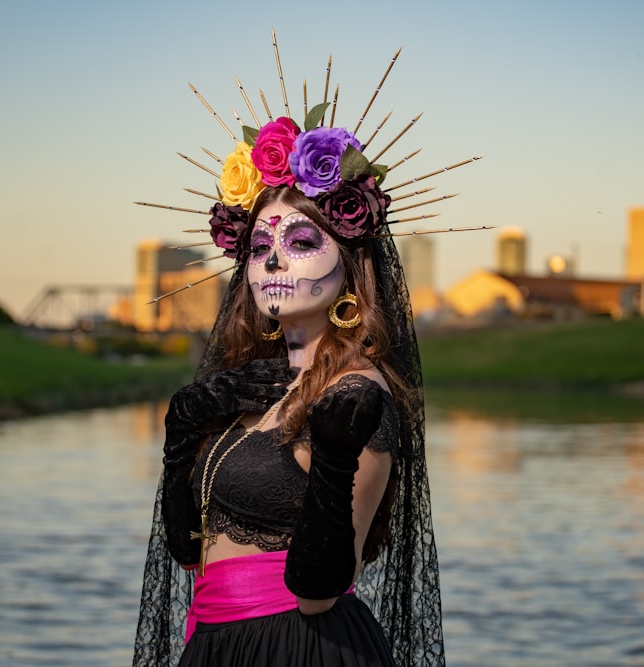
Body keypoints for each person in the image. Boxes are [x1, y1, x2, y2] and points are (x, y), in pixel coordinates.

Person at [133, 33, 464, 667]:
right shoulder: (253, 385)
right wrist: (182, 434)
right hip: (217, 645)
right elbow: (186, 551)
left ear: (352, 264)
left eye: (302, 241)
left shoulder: (357, 395)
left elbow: (318, 591)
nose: (274, 261)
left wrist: (337, 457)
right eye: (259, 247)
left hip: (297, 646)